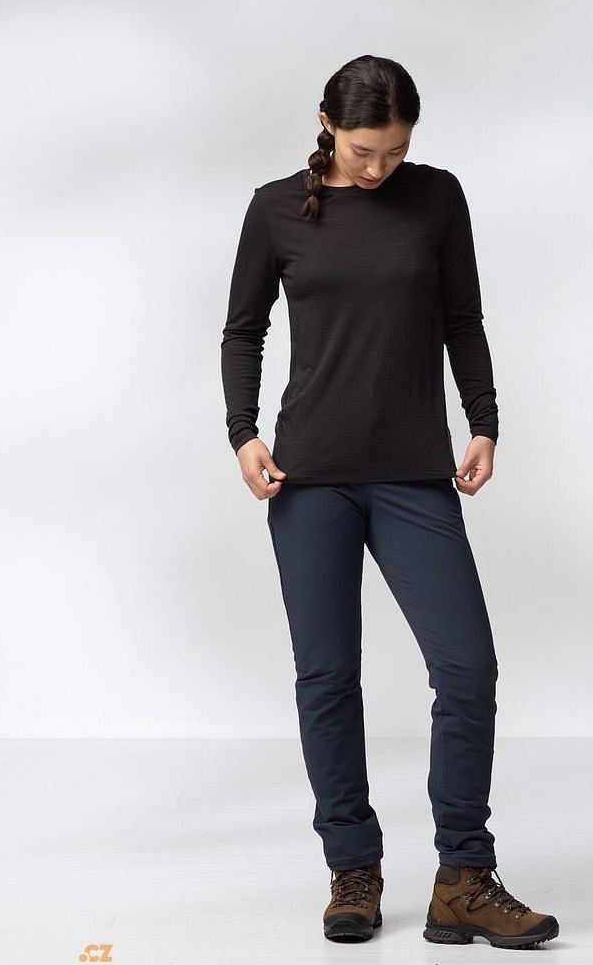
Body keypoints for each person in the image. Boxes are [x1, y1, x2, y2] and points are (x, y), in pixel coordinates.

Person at [220, 54, 559, 949]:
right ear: (326, 123)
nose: (380, 168)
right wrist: (243, 432)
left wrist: (484, 422)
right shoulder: (275, 209)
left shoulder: (437, 197)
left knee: (468, 669)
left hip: (413, 472)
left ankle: (464, 879)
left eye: (396, 150)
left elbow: (462, 319)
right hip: (309, 479)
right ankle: (353, 869)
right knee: (328, 679)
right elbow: (243, 330)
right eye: (365, 151)